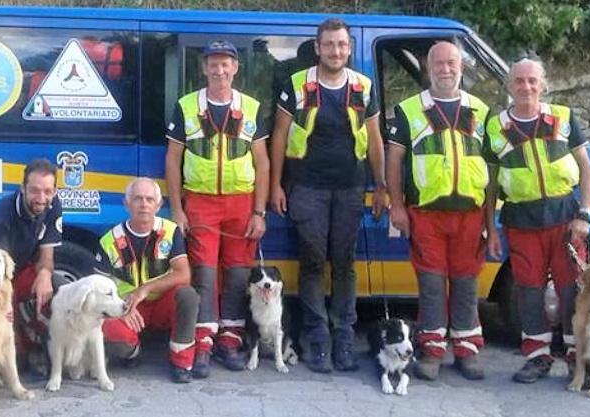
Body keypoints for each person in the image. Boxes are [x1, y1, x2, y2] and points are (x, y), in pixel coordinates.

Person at [270, 17, 387, 373]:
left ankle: (345, 341)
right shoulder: (296, 84)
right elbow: (278, 135)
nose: (336, 50)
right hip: (306, 188)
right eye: (329, 44)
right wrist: (275, 184)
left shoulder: (363, 86)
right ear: (317, 48)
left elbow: (376, 139)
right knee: (312, 264)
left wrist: (381, 185)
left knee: (345, 265)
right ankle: (318, 342)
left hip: (351, 187)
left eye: (342, 44)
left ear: (349, 49)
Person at [165, 39, 270, 378]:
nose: (219, 69)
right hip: (200, 201)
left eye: (226, 63)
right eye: (213, 62)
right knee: (205, 276)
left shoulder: (252, 108)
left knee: (238, 274)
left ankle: (230, 339)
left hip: (242, 202)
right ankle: (204, 343)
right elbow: (173, 159)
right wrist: (177, 209)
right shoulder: (186, 106)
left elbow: (264, 163)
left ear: (235, 68)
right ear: (204, 67)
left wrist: (259, 212)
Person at [484, 59, 590, 384]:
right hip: (520, 219)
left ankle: (577, 359)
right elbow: (490, 185)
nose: (526, 86)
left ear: (543, 84)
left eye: (532, 80)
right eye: (519, 81)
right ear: (509, 86)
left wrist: (584, 215)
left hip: (565, 217)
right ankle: (537, 356)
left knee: (571, 289)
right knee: (528, 291)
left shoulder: (563, 117)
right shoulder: (495, 127)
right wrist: (490, 228)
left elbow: (586, 168)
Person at [386, 41, 491, 381]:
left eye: (451, 63)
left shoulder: (482, 111)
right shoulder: (409, 110)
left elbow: (491, 168)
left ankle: (467, 352)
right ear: (426, 67)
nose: (445, 69)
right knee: (431, 286)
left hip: (470, 215)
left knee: (466, 284)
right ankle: (431, 352)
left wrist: (492, 221)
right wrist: (397, 205)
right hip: (426, 214)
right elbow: (395, 159)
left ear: (461, 67)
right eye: (438, 64)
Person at [100, 177, 200, 383]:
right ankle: (131, 352)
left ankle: (181, 362)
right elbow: (100, 288)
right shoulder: (109, 239)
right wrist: (120, 308)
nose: (144, 204)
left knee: (188, 295)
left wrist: (145, 289)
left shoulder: (171, 232)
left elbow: (184, 274)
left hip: (162, 303)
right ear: (126, 204)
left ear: (158, 204)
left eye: (149, 199)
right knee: (106, 328)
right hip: (128, 307)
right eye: (137, 199)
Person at [0, 158, 62, 369]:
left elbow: (47, 255)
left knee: (58, 289)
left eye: (48, 191)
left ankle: (48, 348)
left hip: (24, 269)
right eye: (34, 191)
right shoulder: (1, 216)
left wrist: (45, 276)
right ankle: (17, 351)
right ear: (22, 188)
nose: (41, 198)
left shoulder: (54, 205)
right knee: (7, 316)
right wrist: (4, 307)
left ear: (55, 191)